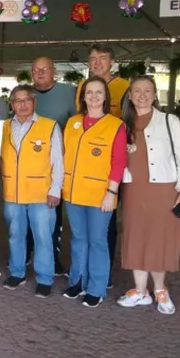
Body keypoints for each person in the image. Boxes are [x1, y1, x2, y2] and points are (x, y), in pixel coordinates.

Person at [116, 76, 180, 315]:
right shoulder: (122, 124)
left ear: (154, 95)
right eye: (137, 91)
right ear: (129, 95)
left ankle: (160, 289)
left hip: (164, 189)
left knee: (160, 240)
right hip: (134, 190)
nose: (142, 95)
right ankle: (141, 291)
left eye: (147, 90)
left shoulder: (169, 121)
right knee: (137, 238)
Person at [61, 76, 127, 307]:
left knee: (97, 241)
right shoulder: (72, 123)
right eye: (89, 92)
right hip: (73, 192)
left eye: (99, 92)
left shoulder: (115, 125)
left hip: (101, 195)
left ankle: (96, 288)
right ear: (83, 96)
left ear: (106, 97)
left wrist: (112, 192)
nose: (94, 96)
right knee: (78, 239)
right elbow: (63, 156)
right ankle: (77, 281)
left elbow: (119, 163)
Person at [75, 45, 130, 289]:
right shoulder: (74, 118)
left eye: (102, 58)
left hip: (110, 175)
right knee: (80, 236)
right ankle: (80, 276)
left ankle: (100, 278)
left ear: (112, 61)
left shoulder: (125, 87)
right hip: (79, 183)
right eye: (93, 58)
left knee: (102, 233)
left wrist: (112, 190)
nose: (97, 62)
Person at [0, 85, 63, 297]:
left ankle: (45, 278)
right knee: (15, 235)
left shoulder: (49, 126)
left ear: (34, 102)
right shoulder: (4, 127)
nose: (22, 104)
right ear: (12, 104)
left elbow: (58, 161)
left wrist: (56, 189)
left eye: (27, 99)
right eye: (17, 100)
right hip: (13, 193)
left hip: (41, 193)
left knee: (43, 237)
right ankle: (17, 272)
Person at [26, 56, 76, 276]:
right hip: (28, 166)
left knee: (52, 213)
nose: (40, 73)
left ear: (54, 71)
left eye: (45, 69)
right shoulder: (25, 95)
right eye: (36, 69)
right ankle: (27, 253)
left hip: (56, 164)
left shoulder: (69, 93)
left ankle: (52, 259)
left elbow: (78, 124)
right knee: (26, 212)